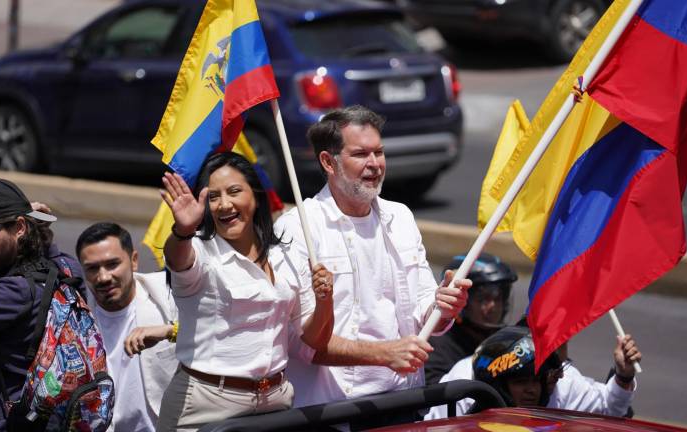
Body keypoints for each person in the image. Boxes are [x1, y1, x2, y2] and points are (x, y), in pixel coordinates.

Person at [274, 105, 471, 409]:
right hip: (332, 413)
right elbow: (301, 340)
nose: (375, 164)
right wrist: (383, 354)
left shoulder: (401, 217)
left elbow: (422, 312)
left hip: (404, 403)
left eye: (379, 152)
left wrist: (442, 306)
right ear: (328, 161)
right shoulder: (297, 226)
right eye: (360, 154)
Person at [156, 152, 335, 431]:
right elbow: (178, 259)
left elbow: (314, 339)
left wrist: (326, 301)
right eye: (213, 197)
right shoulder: (200, 253)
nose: (224, 204)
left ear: (256, 196)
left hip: (275, 403)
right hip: (205, 408)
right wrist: (182, 230)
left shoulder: (287, 254)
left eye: (234, 191)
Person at [0, 178, 79, 431]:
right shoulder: (66, 270)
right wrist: (34, 227)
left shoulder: (9, 294)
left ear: (19, 227)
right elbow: (54, 255)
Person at [75, 222, 178, 431]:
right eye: (93, 268)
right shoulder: (78, 320)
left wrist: (168, 331)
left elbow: (213, 333)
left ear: (133, 261)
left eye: (112, 264)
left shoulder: (168, 296)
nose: (103, 277)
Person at [424, 325, 641, 419]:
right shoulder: (461, 383)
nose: (532, 391)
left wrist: (623, 375)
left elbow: (610, 409)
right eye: (521, 382)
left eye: (536, 380)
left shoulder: (561, 381)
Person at [425, 254, 516, 385]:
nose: (493, 306)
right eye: (483, 298)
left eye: (498, 298)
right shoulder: (436, 345)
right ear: (461, 301)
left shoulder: (506, 341)